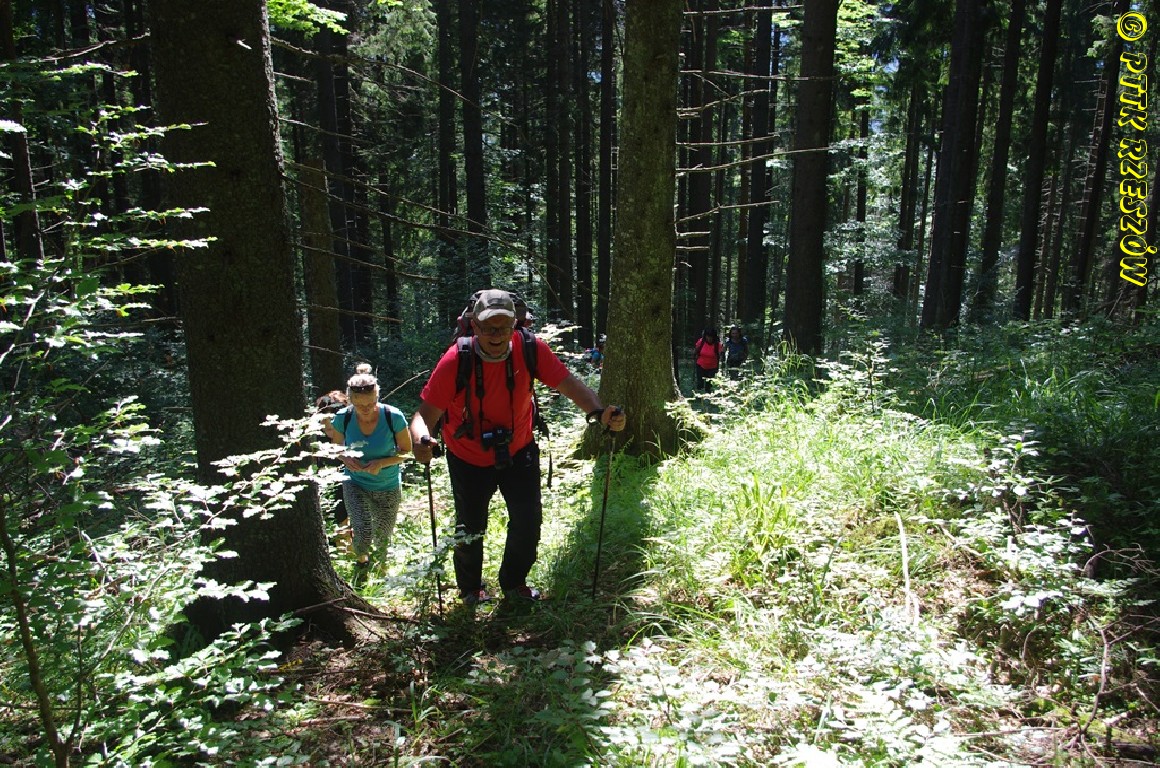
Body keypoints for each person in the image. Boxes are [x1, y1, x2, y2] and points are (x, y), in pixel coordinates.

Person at [410, 289, 626, 607]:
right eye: (488, 327)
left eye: (503, 326)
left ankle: (514, 584)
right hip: (467, 457)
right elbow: (423, 415)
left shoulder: (530, 348)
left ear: (515, 324)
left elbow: (570, 385)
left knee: (528, 520)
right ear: (475, 326)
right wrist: (420, 440)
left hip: (519, 449)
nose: (496, 334)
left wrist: (599, 413)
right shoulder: (457, 359)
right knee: (470, 526)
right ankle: (470, 589)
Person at [323, 364, 412, 580]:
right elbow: (336, 448)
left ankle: (381, 575)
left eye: (371, 403)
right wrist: (346, 458)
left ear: (377, 397)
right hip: (355, 482)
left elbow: (407, 452)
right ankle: (362, 568)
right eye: (359, 405)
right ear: (350, 400)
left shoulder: (393, 416)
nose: (366, 409)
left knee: (383, 537)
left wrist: (382, 463)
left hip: (388, 484)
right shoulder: (343, 418)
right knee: (362, 531)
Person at [315, 390, 352, 552]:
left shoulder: (354, 435)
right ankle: (344, 549)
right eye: (325, 418)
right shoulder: (315, 438)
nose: (329, 424)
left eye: (334, 418)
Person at [693, 327, 722, 392]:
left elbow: (720, 356)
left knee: (709, 385)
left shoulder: (718, 345)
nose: (709, 338)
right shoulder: (701, 342)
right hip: (700, 366)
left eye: (711, 336)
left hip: (712, 368)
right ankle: (698, 395)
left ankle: (708, 397)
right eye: (708, 336)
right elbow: (696, 350)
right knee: (700, 383)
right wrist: (695, 355)